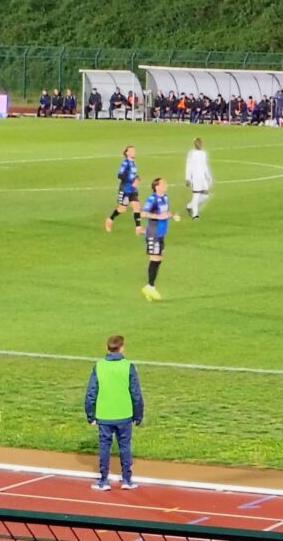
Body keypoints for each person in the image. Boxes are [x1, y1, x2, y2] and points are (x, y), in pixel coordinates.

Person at [84, 335, 144, 491]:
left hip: (104, 415)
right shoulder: (128, 366)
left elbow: (91, 393)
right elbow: (136, 393)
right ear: (122, 348)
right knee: (125, 447)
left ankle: (103, 480)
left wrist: (90, 415)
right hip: (124, 414)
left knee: (104, 447)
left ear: (107, 348)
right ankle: (127, 480)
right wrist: (138, 415)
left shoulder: (99, 366)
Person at [141, 177, 179, 301]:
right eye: (163, 183)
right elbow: (143, 213)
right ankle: (150, 286)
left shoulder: (165, 197)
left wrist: (172, 215)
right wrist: (158, 216)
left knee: (158, 259)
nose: (166, 185)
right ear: (157, 186)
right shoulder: (152, 199)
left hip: (161, 233)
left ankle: (149, 287)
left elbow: (165, 212)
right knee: (155, 258)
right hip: (153, 233)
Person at [105, 146, 143, 234]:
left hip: (132, 189)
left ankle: (138, 228)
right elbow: (120, 175)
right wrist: (131, 181)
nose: (134, 152)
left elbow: (132, 175)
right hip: (125, 189)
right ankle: (110, 219)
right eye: (131, 151)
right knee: (122, 209)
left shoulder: (133, 163)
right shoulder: (125, 163)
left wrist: (137, 178)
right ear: (127, 153)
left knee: (136, 206)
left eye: (134, 150)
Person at [185, 138, 212, 220]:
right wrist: (188, 178)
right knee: (196, 195)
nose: (199, 144)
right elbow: (188, 165)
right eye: (197, 143)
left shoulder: (203, 153)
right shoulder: (191, 153)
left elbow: (205, 165)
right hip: (195, 178)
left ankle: (190, 206)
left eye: (200, 143)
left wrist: (208, 176)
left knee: (205, 195)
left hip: (203, 178)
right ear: (194, 144)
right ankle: (195, 215)